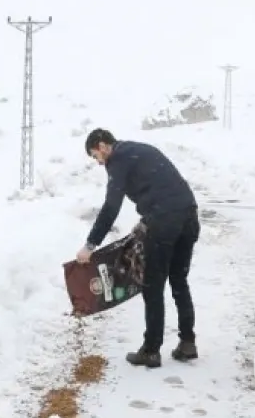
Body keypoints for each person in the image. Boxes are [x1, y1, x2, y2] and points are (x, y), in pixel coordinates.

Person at [75, 128, 201, 369]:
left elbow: (111, 207)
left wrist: (90, 245)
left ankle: (151, 350)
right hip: (189, 216)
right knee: (179, 280)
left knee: (152, 286)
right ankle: (187, 342)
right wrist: (146, 220)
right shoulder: (140, 149)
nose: (98, 162)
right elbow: (163, 187)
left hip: (164, 222)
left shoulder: (118, 160)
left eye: (95, 156)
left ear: (102, 146)